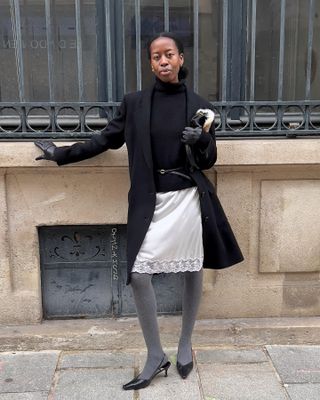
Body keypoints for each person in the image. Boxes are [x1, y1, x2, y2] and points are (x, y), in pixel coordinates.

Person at [35, 31, 244, 391]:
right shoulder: (135, 103)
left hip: (187, 200)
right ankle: (154, 354)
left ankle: (183, 346)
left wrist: (204, 140)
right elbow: (106, 140)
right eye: (155, 56)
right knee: (141, 273)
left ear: (180, 58)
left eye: (169, 55)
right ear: (150, 62)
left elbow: (208, 161)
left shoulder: (199, 105)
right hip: (151, 201)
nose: (162, 61)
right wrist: (61, 154)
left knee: (192, 268)